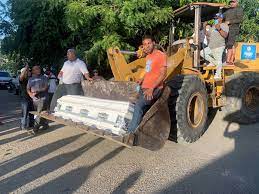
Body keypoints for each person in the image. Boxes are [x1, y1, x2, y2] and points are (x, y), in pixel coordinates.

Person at [127, 35, 167, 133]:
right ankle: (137, 125)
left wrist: (152, 89)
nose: (146, 46)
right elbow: (148, 70)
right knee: (131, 101)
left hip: (154, 88)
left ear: (153, 43)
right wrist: (141, 79)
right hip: (144, 86)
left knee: (139, 105)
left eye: (148, 43)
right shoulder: (148, 57)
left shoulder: (161, 55)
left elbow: (163, 75)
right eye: (144, 44)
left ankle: (131, 133)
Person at [201, 13, 229, 79]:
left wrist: (219, 29)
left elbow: (225, 35)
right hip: (211, 46)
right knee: (202, 53)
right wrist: (204, 26)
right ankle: (215, 63)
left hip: (219, 46)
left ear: (221, 19)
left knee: (218, 60)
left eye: (217, 18)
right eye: (215, 18)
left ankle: (218, 75)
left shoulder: (224, 25)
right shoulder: (213, 26)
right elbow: (207, 34)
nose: (215, 19)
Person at [27, 65, 49, 131]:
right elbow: (28, 88)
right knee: (40, 112)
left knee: (39, 113)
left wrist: (38, 91)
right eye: (36, 69)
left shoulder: (44, 77)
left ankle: (35, 127)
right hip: (35, 99)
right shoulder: (30, 79)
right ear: (33, 71)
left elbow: (45, 87)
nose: (38, 70)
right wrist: (30, 94)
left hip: (43, 98)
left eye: (39, 68)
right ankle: (45, 124)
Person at [224, 0, 244, 65]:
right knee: (228, 44)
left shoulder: (239, 9)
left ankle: (229, 61)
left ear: (237, 2)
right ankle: (229, 60)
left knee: (230, 44)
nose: (231, 3)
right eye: (231, 2)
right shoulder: (227, 9)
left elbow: (240, 19)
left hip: (233, 29)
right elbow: (222, 17)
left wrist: (230, 22)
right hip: (226, 29)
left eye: (233, 2)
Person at [19, 65, 34, 130]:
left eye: (29, 71)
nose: (29, 72)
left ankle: (31, 125)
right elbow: (21, 76)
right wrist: (26, 68)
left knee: (32, 113)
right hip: (25, 98)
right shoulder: (22, 79)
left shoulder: (31, 79)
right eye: (28, 71)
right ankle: (23, 126)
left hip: (31, 98)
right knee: (24, 113)